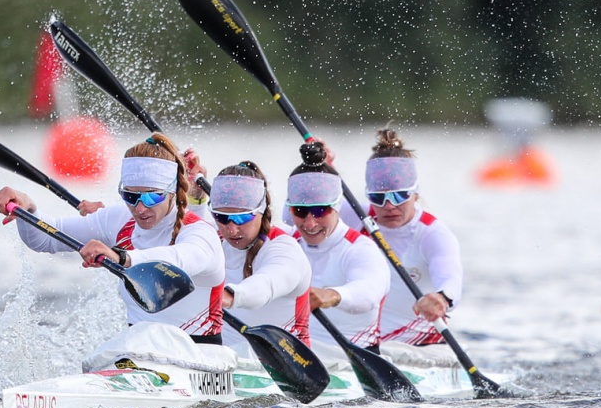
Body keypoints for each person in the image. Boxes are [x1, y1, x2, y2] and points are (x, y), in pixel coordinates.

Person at [0, 132, 227, 343]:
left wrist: (121, 257)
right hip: (139, 354)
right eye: (130, 195)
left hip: (203, 361)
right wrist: (28, 209)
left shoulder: (200, 233)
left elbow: (177, 260)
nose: (140, 208)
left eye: (152, 197)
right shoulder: (119, 218)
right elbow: (46, 239)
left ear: (173, 191)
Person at [340, 128, 463, 346]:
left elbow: (451, 280)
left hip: (419, 345)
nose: (389, 206)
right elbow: (293, 219)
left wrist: (442, 298)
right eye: (378, 197)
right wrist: (320, 171)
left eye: (400, 195)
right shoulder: (356, 215)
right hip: (362, 342)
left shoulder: (433, 234)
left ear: (415, 193)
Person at [197, 160, 314, 351]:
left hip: (281, 365)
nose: (232, 229)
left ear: (261, 210)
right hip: (223, 362)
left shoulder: (285, 249)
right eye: (222, 217)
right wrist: (195, 200)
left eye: (242, 218)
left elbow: (266, 284)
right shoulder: (213, 241)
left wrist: (230, 296)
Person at [286, 141, 390, 351]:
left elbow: (369, 292)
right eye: (299, 211)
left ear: (337, 206)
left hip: (350, 360)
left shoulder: (360, 248)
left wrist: (332, 295)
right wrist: (199, 201)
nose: (310, 223)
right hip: (297, 357)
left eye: (320, 211)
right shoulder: (286, 243)